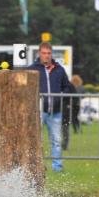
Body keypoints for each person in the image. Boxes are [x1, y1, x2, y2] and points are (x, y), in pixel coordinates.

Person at [28, 42, 70, 172]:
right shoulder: (31, 69)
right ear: (39, 54)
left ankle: (57, 167)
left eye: (49, 53)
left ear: (52, 54)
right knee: (35, 141)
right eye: (44, 53)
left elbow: (67, 86)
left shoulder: (59, 69)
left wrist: (61, 98)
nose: (46, 56)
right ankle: (35, 166)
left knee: (56, 140)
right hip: (37, 112)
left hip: (56, 112)